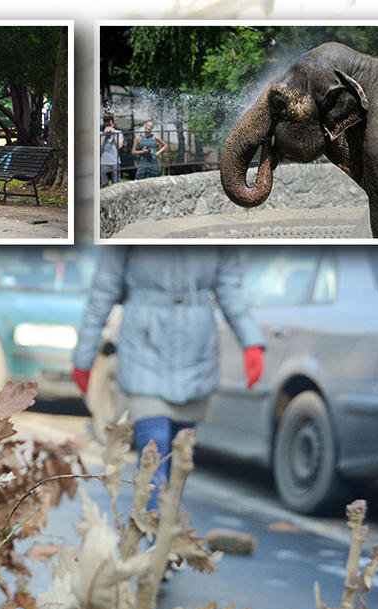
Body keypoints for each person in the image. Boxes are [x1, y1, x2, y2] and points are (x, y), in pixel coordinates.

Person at [71, 247, 265, 512]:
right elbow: (103, 291)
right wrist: (84, 356)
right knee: (154, 446)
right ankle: (151, 535)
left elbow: (228, 286)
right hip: (144, 345)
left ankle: (164, 534)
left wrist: (251, 341)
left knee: (179, 457)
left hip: (196, 348)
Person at [100, 114, 123, 186]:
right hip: (103, 162)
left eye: (110, 124)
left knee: (116, 184)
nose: (109, 126)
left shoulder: (118, 132)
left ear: (113, 124)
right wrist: (104, 135)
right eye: (107, 124)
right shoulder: (100, 134)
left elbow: (119, 146)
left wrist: (114, 134)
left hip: (115, 162)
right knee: (104, 184)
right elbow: (98, 147)